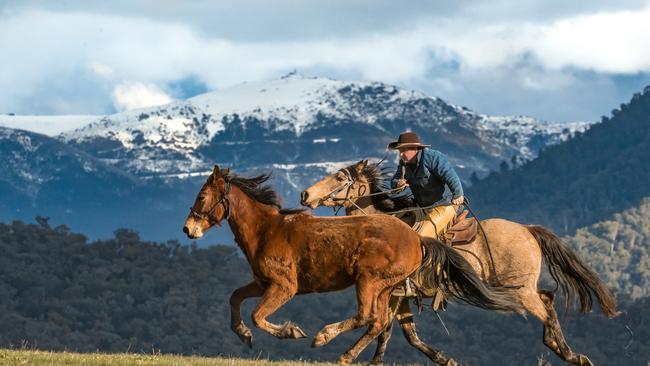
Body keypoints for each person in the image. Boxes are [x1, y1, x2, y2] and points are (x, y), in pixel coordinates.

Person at [388, 131, 464, 239]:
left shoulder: (433, 157)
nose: (400, 154)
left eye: (403, 150)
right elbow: (394, 181)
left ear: (414, 149)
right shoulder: (404, 164)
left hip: (445, 205)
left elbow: (450, 175)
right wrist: (397, 183)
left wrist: (458, 195)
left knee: (420, 238)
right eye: (400, 151)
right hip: (423, 207)